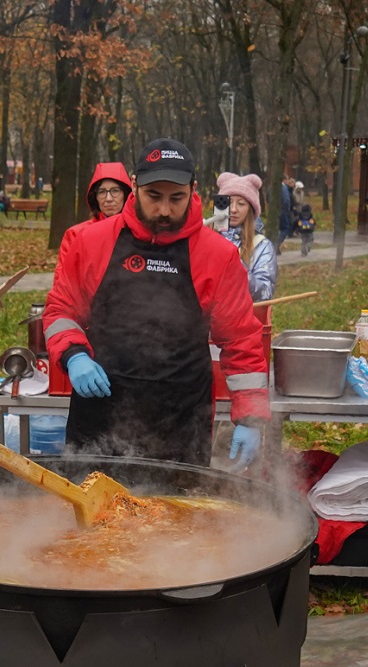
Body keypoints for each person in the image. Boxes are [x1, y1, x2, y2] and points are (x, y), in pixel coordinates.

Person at [43, 138, 269, 468]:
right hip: (100, 410)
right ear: (134, 186)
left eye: (176, 198)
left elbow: (241, 340)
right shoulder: (90, 242)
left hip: (180, 417)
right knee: (90, 514)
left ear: (194, 190)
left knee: (175, 515)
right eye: (154, 197)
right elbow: (61, 310)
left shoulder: (218, 256)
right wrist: (74, 356)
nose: (164, 210)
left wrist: (249, 416)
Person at [215, 172, 277, 302]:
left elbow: (265, 292)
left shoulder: (262, 246)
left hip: (242, 319)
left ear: (250, 209)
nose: (233, 209)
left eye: (241, 204)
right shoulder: (207, 238)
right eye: (228, 202)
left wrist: (236, 266)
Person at [56, 162, 132, 264]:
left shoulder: (140, 233)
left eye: (115, 191)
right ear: (95, 197)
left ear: (126, 194)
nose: (108, 199)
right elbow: (63, 278)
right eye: (102, 192)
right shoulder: (76, 235)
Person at [277, 175, 295, 253]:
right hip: (283, 210)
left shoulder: (273, 187)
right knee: (285, 228)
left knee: (277, 229)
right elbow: (286, 200)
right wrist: (287, 210)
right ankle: (277, 244)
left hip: (275, 211)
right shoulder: (283, 188)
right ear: (285, 179)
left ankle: (275, 247)